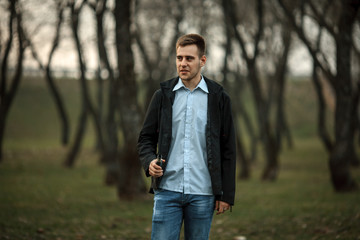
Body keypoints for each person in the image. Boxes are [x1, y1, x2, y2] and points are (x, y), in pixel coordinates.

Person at [138, 33, 236, 240]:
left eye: (189, 58)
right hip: (167, 191)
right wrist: (149, 162)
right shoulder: (163, 96)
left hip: (203, 193)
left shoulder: (219, 98)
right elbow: (145, 138)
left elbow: (228, 149)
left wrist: (226, 195)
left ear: (202, 61)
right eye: (179, 58)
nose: (183, 63)